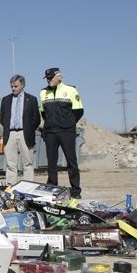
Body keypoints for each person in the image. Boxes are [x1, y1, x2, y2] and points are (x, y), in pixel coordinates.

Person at [39, 67, 84, 197]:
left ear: (60, 77)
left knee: (71, 161)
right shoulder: (43, 93)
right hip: (51, 132)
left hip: (66, 131)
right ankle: (52, 187)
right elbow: (43, 112)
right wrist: (49, 125)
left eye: (51, 77)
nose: (48, 80)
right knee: (51, 162)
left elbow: (78, 110)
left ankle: (75, 190)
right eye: (47, 78)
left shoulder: (70, 90)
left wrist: (68, 124)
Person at [0, 74, 41, 184]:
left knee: (27, 163)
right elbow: (2, 118)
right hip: (10, 134)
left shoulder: (32, 99)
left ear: (22, 85)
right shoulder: (5, 100)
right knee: (10, 164)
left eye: (16, 86)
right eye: (12, 86)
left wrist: (28, 129)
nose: (13, 88)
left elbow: (36, 118)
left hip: (25, 134)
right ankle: (10, 187)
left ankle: (28, 187)